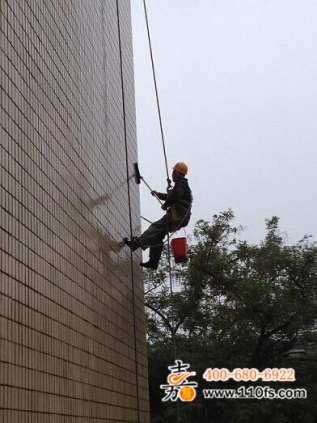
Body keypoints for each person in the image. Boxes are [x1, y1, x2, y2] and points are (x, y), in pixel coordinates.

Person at [124, 162, 192, 270]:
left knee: (155, 227)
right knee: (158, 236)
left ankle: (136, 243)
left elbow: (175, 195)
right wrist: (158, 194)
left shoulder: (181, 184)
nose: (172, 175)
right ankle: (153, 262)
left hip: (177, 216)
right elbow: (172, 196)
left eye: (173, 172)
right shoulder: (182, 185)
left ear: (176, 173)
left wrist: (166, 205)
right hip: (180, 217)